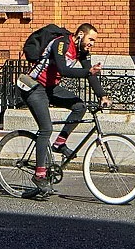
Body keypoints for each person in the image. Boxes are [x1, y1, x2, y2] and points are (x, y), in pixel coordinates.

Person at [20, 22, 103, 198]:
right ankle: (39, 174)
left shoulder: (81, 51)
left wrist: (102, 95)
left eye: (94, 41)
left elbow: (90, 74)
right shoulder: (61, 43)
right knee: (46, 129)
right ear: (80, 34)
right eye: (91, 39)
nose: (92, 44)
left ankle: (59, 143)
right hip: (34, 86)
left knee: (80, 106)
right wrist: (88, 71)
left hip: (51, 87)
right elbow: (63, 69)